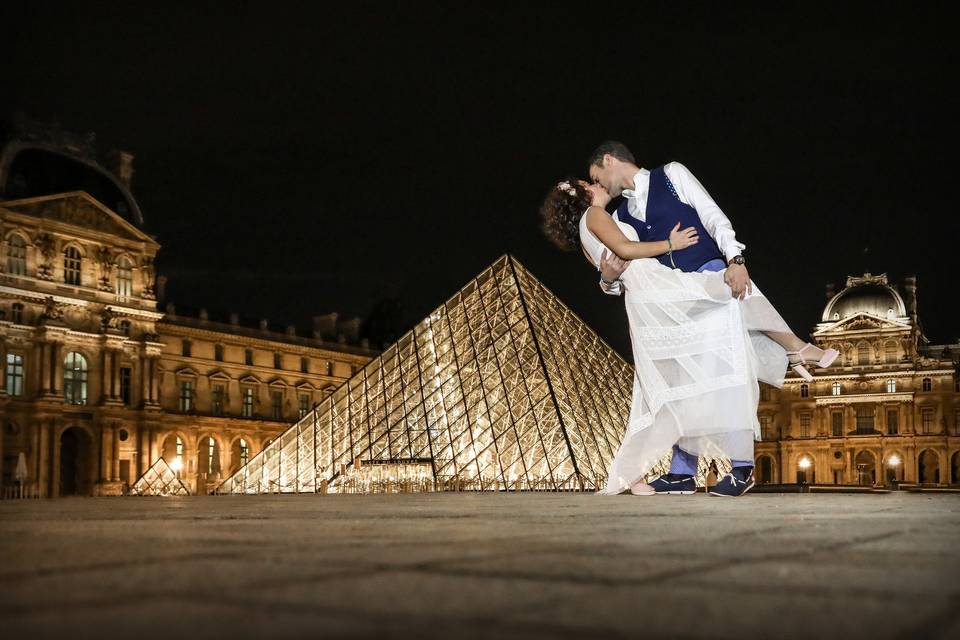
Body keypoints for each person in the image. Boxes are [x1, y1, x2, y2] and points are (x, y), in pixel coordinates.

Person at [540, 176, 837, 496]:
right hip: (661, 291)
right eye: (590, 182)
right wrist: (672, 244)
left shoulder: (591, 229)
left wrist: (607, 279)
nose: (597, 183)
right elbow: (623, 251)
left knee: (669, 389)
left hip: (645, 306)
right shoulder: (595, 215)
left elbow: (608, 273)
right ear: (582, 194)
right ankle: (795, 348)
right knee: (734, 290)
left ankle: (648, 474)